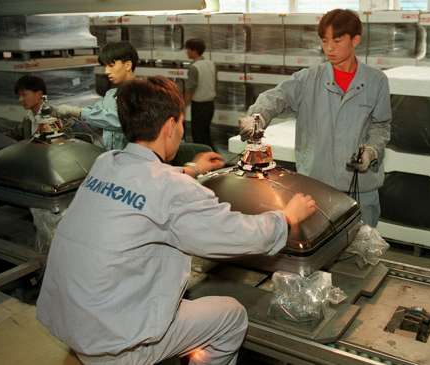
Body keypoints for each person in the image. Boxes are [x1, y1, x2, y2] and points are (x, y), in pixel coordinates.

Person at [36, 76, 317, 365]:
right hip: (121, 346)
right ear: (170, 125)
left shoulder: (106, 163)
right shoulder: (173, 190)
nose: (182, 131)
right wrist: (286, 217)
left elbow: (143, 184)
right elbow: (235, 235)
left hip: (74, 325)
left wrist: (191, 169)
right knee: (231, 316)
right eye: (182, 123)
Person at [239, 9, 391, 227]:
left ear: (355, 40)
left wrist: (371, 151)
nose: (329, 48)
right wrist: (257, 117)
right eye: (325, 41)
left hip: (362, 188)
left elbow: (381, 125)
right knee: (321, 251)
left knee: (362, 250)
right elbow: (275, 97)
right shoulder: (308, 79)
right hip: (318, 186)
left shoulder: (376, 81)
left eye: (337, 41)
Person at [51, 41, 139, 150]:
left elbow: (120, 121)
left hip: (134, 161)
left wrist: (78, 112)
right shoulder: (110, 95)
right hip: (112, 158)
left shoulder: (143, 93)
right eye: (105, 66)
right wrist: (70, 121)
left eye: (111, 65)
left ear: (128, 65)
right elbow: (96, 114)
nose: (106, 71)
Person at [184, 38, 216, 149]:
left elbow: (190, 89)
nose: (186, 52)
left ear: (194, 51)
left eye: (187, 49)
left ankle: (205, 160)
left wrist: (183, 106)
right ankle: (214, 158)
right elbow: (215, 82)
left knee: (198, 136)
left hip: (199, 106)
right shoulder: (211, 64)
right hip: (210, 105)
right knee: (205, 134)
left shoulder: (194, 67)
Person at [14, 75, 47, 139]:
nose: (20, 99)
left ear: (39, 94)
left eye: (24, 95)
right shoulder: (27, 119)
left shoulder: (55, 116)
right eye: (19, 95)